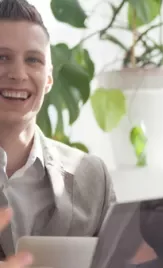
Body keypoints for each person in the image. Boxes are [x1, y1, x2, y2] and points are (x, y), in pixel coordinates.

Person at [0, 0, 115, 259]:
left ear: (49, 78)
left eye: (33, 60)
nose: (18, 74)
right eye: (2, 57)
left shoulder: (92, 177)